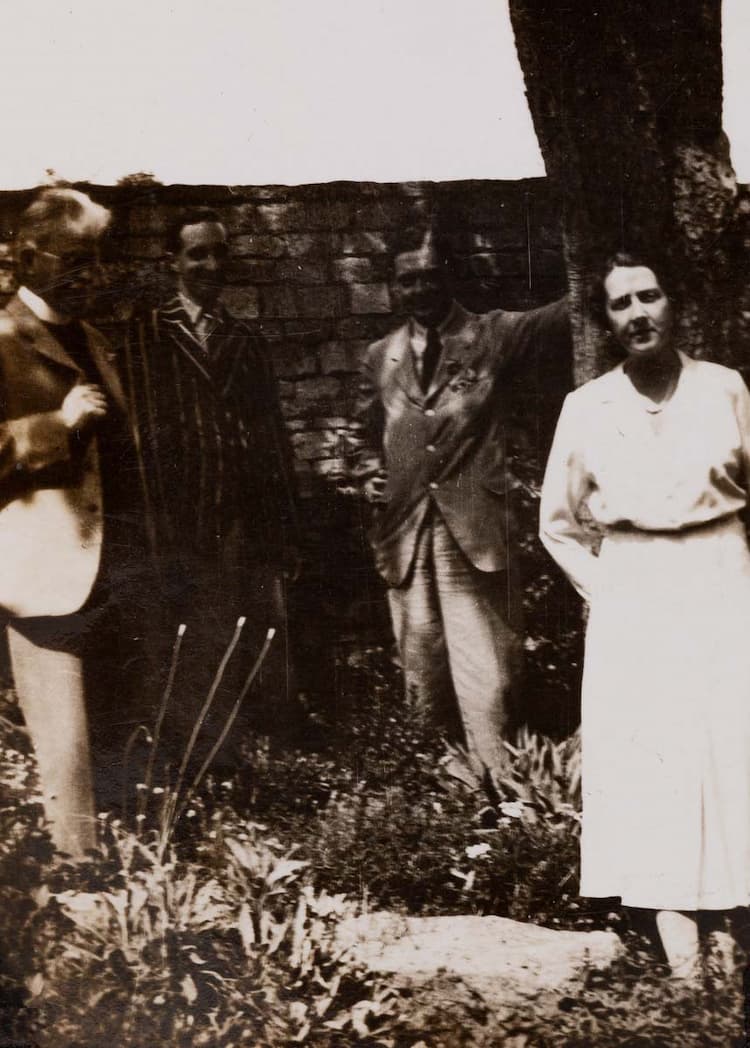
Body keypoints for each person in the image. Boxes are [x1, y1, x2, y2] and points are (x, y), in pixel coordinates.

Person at [539, 251, 750, 980]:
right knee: (653, 753)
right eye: (620, 304)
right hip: (635, 588)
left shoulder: (725, 390)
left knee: (727, 745)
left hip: (723, 572)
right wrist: (610, 592)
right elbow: (558, 525)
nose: (637, 314)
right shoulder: (587, 408)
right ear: (605, 322)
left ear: (674, 304)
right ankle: (675, 927)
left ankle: (730, 915)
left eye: (649, 296)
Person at [349, 227, 570, 775]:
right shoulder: (381, 357)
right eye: (407, 281)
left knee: (487, 675)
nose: (419, 289)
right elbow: (358, 437)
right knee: (421, 671)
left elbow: (561, 315)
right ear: (394, 288)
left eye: (428, 276)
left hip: (473, 530)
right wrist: (365, 475)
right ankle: (439, 802)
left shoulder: (491, 335)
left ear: (448, 274)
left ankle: (500, 796)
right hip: (405, 534)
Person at [0, 187, 149, 857]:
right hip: (44, 568)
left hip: (113, 560)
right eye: (73, 258)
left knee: (117, 730)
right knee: (65, 746)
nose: (90, 273)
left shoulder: (92, 337)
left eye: (97, 257)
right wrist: (55, 427)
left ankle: (135, 881)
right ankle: (79, 882)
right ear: (27, 257)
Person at [124, 208, 300, 770]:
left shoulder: (244, 337)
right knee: (191, 646)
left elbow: (271, 436)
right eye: (197, 253)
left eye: (220, 253)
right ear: (172, 261)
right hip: (182, 523)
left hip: (246, 521)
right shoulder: (147, 334)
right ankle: (203, 768)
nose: (211, 265)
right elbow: (138, 439)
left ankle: (261, 763)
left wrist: (285, 526)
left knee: (257, 641)